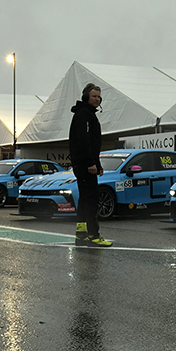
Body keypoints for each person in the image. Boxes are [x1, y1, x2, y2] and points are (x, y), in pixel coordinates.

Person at [69, 83, 112, 247]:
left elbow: (92, 145)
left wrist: (97, 164)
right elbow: (84, 141)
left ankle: (81, 233)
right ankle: (94, 235)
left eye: (99, 96)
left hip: (85, 163)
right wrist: (90, 163)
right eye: (94, 96)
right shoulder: (84, 115)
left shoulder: (88, 114)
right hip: (84, 165)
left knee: (85, 199)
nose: (97, 99)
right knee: (92, 199)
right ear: (86, 96)